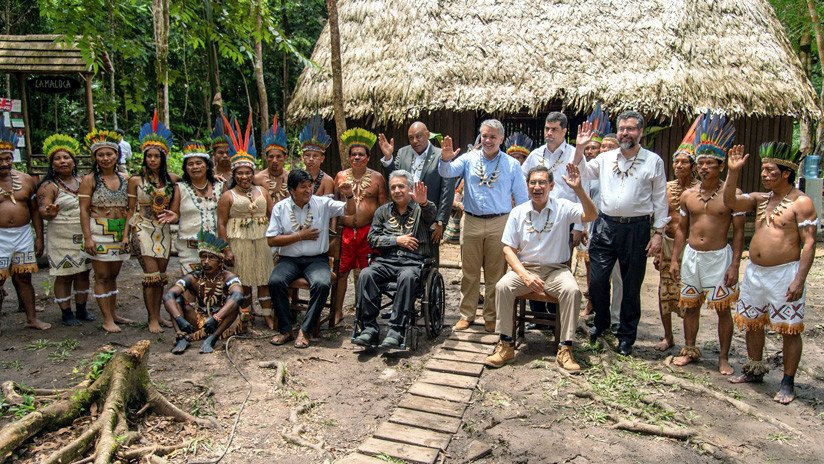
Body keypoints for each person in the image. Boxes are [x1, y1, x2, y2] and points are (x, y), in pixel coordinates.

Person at [723, 142, 816, 404]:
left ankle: (787, 381)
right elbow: (730, 200)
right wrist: (733, 172)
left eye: (770, 170)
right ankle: (754, 369)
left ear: (785, 173)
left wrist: (799, 278)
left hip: (785, 273)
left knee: (789, 329)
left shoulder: (802, 202)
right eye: (763, 170)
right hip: (755, 272)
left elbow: (809, 243)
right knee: (753, 322)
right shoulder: (761, 199)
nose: (764, 174)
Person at [485, 164, 598, 370]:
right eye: (533, 182)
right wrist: (525, 276)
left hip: (556, 270)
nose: (537, 187)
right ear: (527, 186)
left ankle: (566, 348)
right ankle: (506, 344)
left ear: (552, 185)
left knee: (572, 291)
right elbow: (508, 250)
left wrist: (579, 189)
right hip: (525, 269)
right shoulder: (518, 212)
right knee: (503, 287)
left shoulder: (563, 207)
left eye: (542, 182)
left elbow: (591, 215)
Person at [574, 110, 668, 356]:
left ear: (641, 132)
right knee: (596, 281)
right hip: (605, 226)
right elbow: (581, 172)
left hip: (636, 229)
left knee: (630, 285)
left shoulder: (653, 161)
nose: (626, 133)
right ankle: (602, 324)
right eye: (622, 128)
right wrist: (580, 148)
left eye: (631, 129)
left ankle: (626, 335)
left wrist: (658, 233)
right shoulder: (606, 158)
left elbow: (660, 200)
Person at [669, 113, 743, 375]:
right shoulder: (688, 195)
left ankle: (723, 358)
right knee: (690, 306)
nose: (703, 168)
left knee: (723, 309)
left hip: (718, 258)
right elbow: (681, 229)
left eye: (709, 163)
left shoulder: (732, 196)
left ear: (721, 166)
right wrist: (676, 259)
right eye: (700, 163)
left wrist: (734, 265)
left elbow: (738, 233)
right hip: (692, 256)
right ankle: (689, 348)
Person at [439, 120, 528, 332]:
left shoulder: (511, 165)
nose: (488, 140)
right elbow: (447, 172)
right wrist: (445, 158)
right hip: (470, 221)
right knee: (469, 272)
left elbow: (523, 200)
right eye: (484, 136)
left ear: (501, 139)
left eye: (492, 137)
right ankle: (466, 314)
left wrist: (520, 230)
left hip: (500, 222)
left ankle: (491, 316)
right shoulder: (469, 158)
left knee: (495, 274)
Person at [267, 170, 355, 348]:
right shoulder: (280, 207)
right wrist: (300, 236)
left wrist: (350, 195)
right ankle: (285, 330)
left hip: (316, 260)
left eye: (310, 186)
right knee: (275, 281)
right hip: (288, 260)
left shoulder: (322, 203)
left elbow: (350, 211)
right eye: (303, 187)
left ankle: (305, 330)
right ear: (292, 190)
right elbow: (271, 240)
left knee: (322, 284)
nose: (308, 190)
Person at [353, 171, 437, 348]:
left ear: (409, 188)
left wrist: (423, 202)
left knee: (407, 277)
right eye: (393, 187)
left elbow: (431, 216)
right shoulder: (382, 212)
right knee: (366, 274)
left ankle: (397, 330)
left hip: (413, 262)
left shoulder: (421, 208)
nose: (397, 190)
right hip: (386, 261)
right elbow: (372, 238)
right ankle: (369, 329)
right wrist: (396, 240)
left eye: (401, 186)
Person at [216, 115, 275, 328]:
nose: (244, 176)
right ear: (234, 174)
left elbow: (273, 215)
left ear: (253, 172)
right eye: (240, 173)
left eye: (248, 172)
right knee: (246, 280)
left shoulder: (262, 191)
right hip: (238, 241)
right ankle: (246, 315)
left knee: (264, 278)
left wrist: (276, 240)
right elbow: (221, 223)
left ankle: (268, 314)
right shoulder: (228, 196)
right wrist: (226, 250)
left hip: (262, 240)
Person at [126, 111, 178, 333]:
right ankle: (152, 319)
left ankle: (159, 315)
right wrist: (124, 237)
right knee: (151, 276)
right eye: (149, 156)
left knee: (161, 277)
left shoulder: (172, 180)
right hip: (142, 228)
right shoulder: (135, 181)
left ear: (163, 158)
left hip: (163, 230)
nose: (153, 160)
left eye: (157, 156)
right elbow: (129, 210)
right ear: (144, 157)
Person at [654, 116, 701, 351]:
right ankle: (668, 336)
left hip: (691, 247)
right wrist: (657, 244)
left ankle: (688, 342)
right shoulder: (667, 188)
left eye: (684, 162)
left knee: (688, 292)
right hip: (667, 243)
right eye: (677, 162)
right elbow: (661, 216)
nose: (679, 166)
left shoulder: (700, 190)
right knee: (665, 291)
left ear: (693, 166)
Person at [79, 129, 132, 333]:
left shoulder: (126, 178)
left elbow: (131, 208)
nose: (105, 158)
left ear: (117, 155)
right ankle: (107, 318)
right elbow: (83, 210)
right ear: (95, 157)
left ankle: (114, 313)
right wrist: (88, 238)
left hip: (119, 231)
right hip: (98, 230)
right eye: (100, 155)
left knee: (113, 275)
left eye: (109, 154)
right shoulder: (90, 179)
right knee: (101, 276)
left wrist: (127, 233)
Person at [36, 134, 93, 326]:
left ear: (73, 161)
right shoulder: (48, 186)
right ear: (52, 164)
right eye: (57, 159)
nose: (62, 161)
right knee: (65, 274)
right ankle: (66, 312)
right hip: (61, 235)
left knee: (83, 272)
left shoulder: (83, 181)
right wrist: (48, 211)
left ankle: (82, 309)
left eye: (66, 157)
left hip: (83, 233)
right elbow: (43, 209)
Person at [332, 128, 387, 326]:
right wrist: (334, 232)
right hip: (345, 233)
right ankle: (337, 311)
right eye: (353, 154)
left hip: (367, 233)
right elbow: (333, 207)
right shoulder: (339, 177)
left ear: (368, 157)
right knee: (341, 272)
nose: (356, 157)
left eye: (361, 154)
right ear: (348, 157)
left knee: (364, 272)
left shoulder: (377, 178)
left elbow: (382, 208)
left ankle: (363, 311)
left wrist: (379, 233)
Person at [163, 231, 245, 354]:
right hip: (198, 319)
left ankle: (212, 338)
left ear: (220, 262)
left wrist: (216, 318)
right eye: (203, 257)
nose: (206, 261)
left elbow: (238, 295)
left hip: (221, 321)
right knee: (177, 299)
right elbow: (169, 295)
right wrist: (179, 318)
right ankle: (181, 336)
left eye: (211, 258)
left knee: (234, 303)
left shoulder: (228, 276)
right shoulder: (194, 277)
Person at [0, 126, 49, 332]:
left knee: (24, 278)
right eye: (0, 159)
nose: (4, 163)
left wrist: (39, 237)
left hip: (22, 235)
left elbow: (35, 211)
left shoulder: (26, 179)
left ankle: (31, 318)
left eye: (8, 158)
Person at [378, 122, 455, 245]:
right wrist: (388, 158)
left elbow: (447, 190)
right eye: (411, 138)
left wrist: (440, 221)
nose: (415, 141)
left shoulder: (441, 155)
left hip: (430, 216)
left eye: (419, 136)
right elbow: (394, 178)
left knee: (429, 257)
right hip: (403, 214)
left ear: (428, 135)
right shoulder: (403, 153)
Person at [522, 111, 588, 248]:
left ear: (564, 131)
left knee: (562, 263)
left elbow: (583, 188)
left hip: (565, 218)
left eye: (554, 129)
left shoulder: (574, 155)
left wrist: (578, 226)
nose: (549, 133)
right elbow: (522, 182)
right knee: (535, 259)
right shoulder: (535, 154)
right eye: (547, 128)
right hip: (537, 216)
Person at [169, 142, 223, 274]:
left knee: (214, 286)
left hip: (216, 245)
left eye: (199, 163)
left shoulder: (220, 186)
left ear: (207, 165)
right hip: (190, 246)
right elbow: (175, 214)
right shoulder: (180, 188)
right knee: (191, 285)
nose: (195, 167)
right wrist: (173, 216)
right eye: (190, 164)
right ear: (185, 168)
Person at [255, 116, 290, 205]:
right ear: (266, 158)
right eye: (271, 157)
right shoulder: (257, 179)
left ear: (285, 158)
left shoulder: (291, 178)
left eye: (279, 157)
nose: (275, 160)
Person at [299, 115, 335, 196]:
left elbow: (328, 206)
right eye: (307, 155)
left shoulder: (327, 180)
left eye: (315, 156)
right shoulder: (296, 178)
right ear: (302, 157)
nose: (311, 159)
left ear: (322, 158)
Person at [210, 117, 233, 183]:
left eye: (228, 152)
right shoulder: (207, 174)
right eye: (220, 153)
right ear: (214, 154)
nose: (225, 156)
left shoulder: (242, 173)